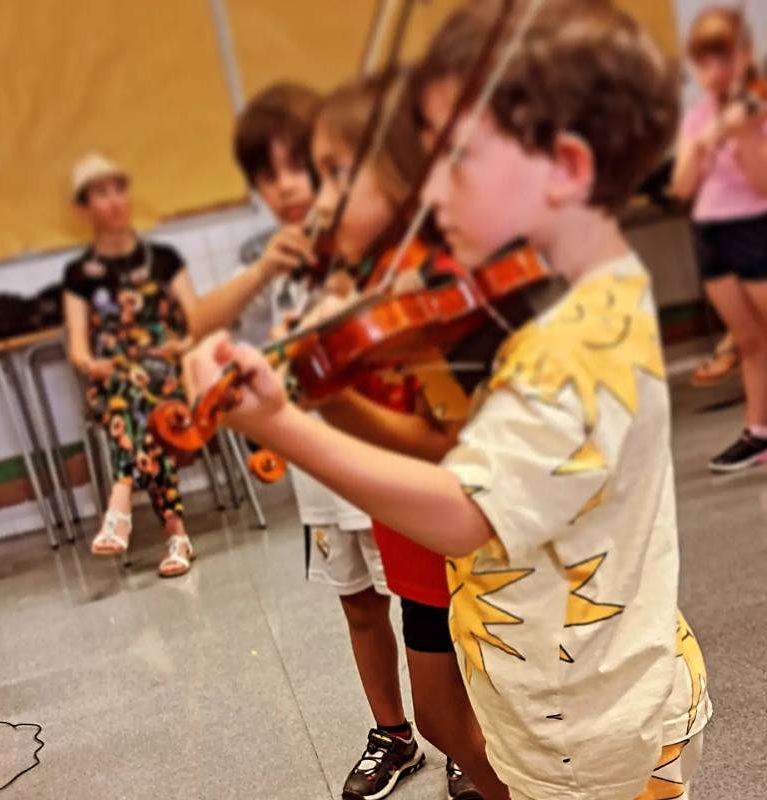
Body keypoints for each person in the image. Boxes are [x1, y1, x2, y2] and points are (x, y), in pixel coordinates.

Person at [186, 2, 712, 798]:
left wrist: (285, 426)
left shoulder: (578, 339)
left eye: (453, 159)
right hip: (549, 705)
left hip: (600, 735)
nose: (425, 190)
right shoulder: (552, 307)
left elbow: (466, 508)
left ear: (566, 170)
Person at [232, 82, 488, 800]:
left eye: (334, 175)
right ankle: (408, 737)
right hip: (394, 507)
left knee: (499, 702)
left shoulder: (436, 271)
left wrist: (321, 401)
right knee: (435, 712)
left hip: (462, 521)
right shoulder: (342, 278)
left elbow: (447, 435)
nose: (314, 197)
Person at [63, 154, 293, 576]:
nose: (114, 201)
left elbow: (196, 321)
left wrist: (178, 346)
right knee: (137, 399)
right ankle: (176, 534)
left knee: (143, 397)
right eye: (100, 193)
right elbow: (79, 349)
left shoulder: (164, 259)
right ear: (84, 208)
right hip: (115, 378)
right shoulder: (80, 275)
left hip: (167, 371)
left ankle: (122, 502)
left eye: (118, 189)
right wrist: (92, 365)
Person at [673, 7, 767, 470]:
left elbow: (763, 183)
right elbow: (682, 187)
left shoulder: (758, 110)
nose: (716, 73)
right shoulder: (696, 120)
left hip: (754, 228)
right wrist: (704, 140)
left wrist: (747, 135)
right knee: (748, 342)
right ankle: (759, 432)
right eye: (705, 63)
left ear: (745, 57)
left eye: (725, 60)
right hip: (711, 232)